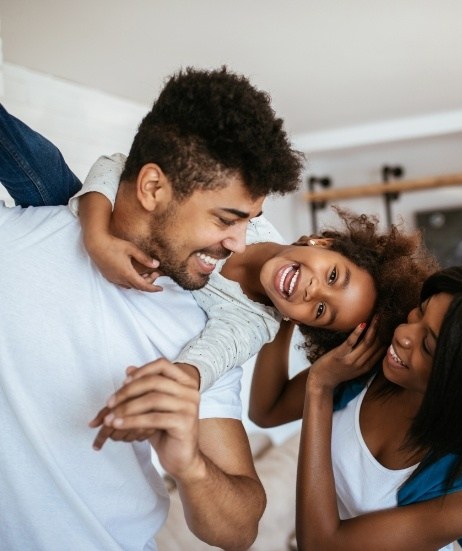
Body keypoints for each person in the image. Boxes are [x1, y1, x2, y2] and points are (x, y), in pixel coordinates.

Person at [0, 66, 304, 551]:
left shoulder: (203, 332)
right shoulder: (18, 239)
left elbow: (240, 529)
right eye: (227, 219)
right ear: (153, 188)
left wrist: (191, 466)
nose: (239, 242)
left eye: (249, 222)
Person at [249, 264, 462, 551]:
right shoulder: (372, 366)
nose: (402, 334)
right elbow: (266, 410)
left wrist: (319, 388)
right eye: (419, 312)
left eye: (427, 345)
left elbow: (322, 545)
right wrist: (282, 305)